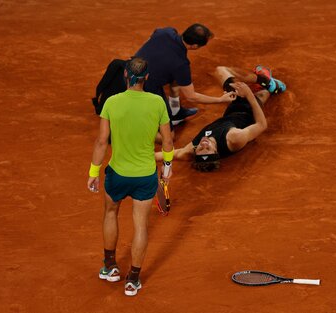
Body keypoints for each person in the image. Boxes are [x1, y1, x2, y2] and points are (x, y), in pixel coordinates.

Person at [87, 57, 174, 296]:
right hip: (145, 176)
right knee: (140, 226)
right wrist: (166, 167)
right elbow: (167, 140)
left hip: (117, 175)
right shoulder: (157, 102)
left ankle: (110, 267)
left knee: (110, 212)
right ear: (146, 77)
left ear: (126, 75)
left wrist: (93, 172)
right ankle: (133, 280)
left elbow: (102, 141)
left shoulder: (112, 103)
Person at [156, 65, 286, 171]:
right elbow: (261, 125)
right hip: (249, 110)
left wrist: (138, 160)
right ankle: (268, 83)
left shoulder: (190, 150)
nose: (204, 144)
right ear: (216, 151)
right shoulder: (234, 139)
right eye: (208, 148)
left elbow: (164, 155)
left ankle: (265, 86)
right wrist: (248, 94)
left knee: (219, 71)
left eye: (201, 149)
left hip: (231, 109)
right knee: (223, 71)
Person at [134, 23, 236, 128]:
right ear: (195, 46)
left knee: (176, 79)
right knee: (168, 133)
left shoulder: (166, 32)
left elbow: (156, 31)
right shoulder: (181, 64)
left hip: (128, 69)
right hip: (140, 87)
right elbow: (191, 97)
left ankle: (175, 111)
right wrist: (220, 99)